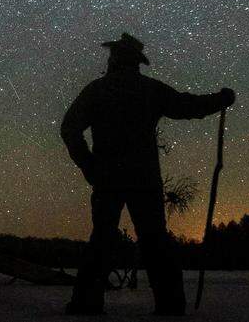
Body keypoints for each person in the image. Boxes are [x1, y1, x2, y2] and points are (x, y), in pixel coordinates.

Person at [61, 33, 235, 315]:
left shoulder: (97, 90)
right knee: (154, 241)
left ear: (115, 60)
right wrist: (219, 100)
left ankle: (87, 302)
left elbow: (69, 128)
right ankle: (170, 303)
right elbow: (186, 106)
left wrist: (90, 166)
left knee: (103, 239)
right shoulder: (149, 90)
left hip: (109, 180)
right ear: (136, 62)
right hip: (143, 180)